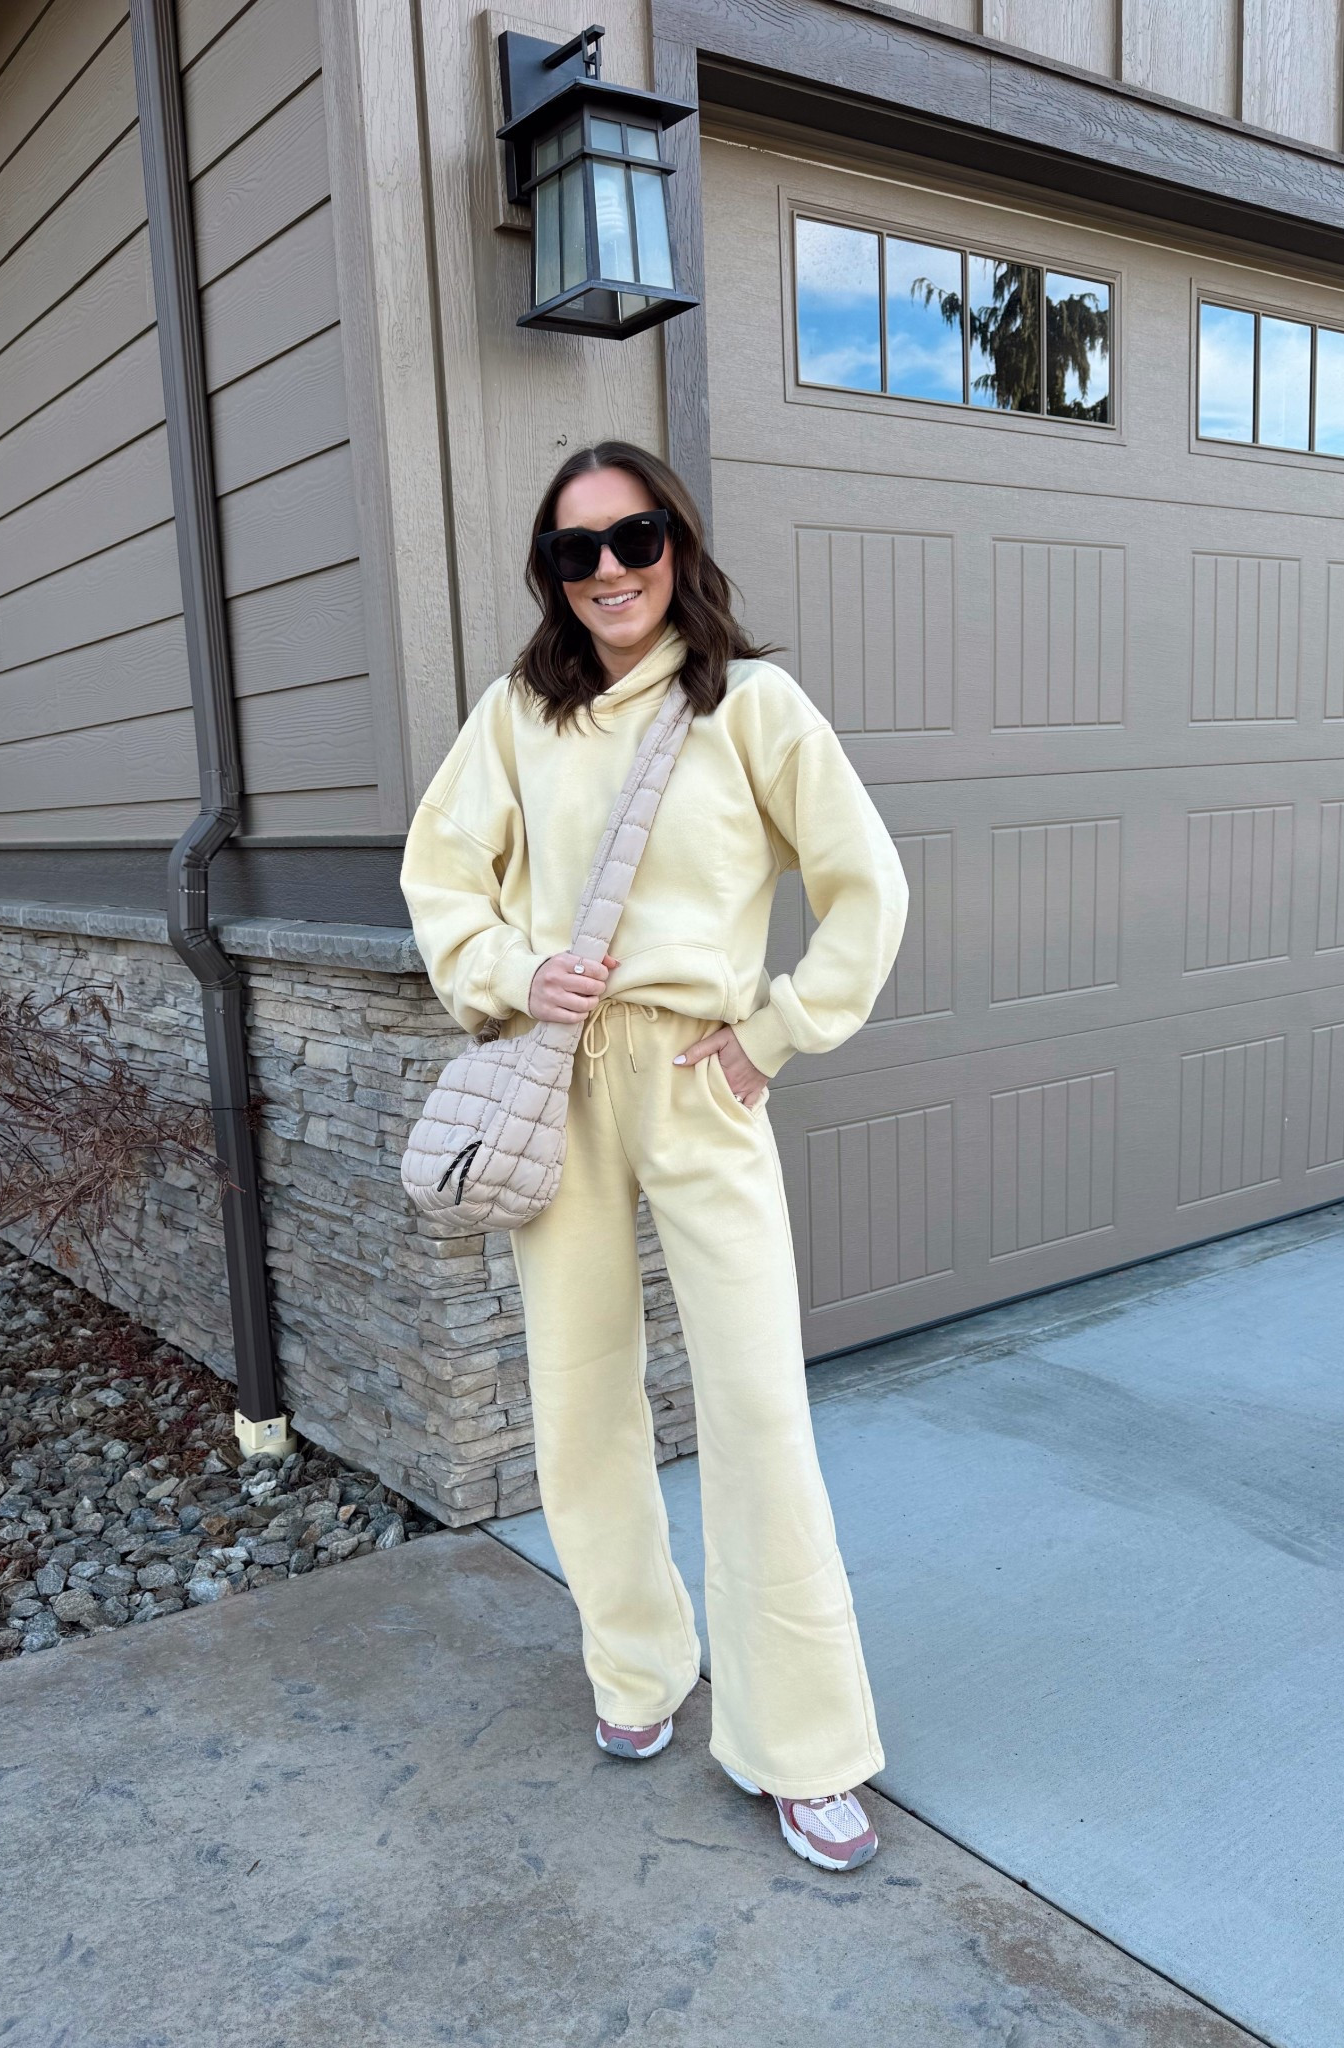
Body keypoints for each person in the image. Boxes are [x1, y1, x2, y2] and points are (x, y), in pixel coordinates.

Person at [400, 441, 909, 1873]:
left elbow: (869, 885)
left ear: (677, 544)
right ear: (550, 576)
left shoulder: (753, 706)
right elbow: (441, 872)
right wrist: (509, 965)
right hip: (558, 1079)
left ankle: (800, 1744)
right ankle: (636, 1669)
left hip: (697, 1073)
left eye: (634, 540)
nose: (611, 571)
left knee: (755, 1405)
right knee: (578, 1393)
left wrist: (779, 1032)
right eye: (578, 551)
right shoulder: (518, 714)